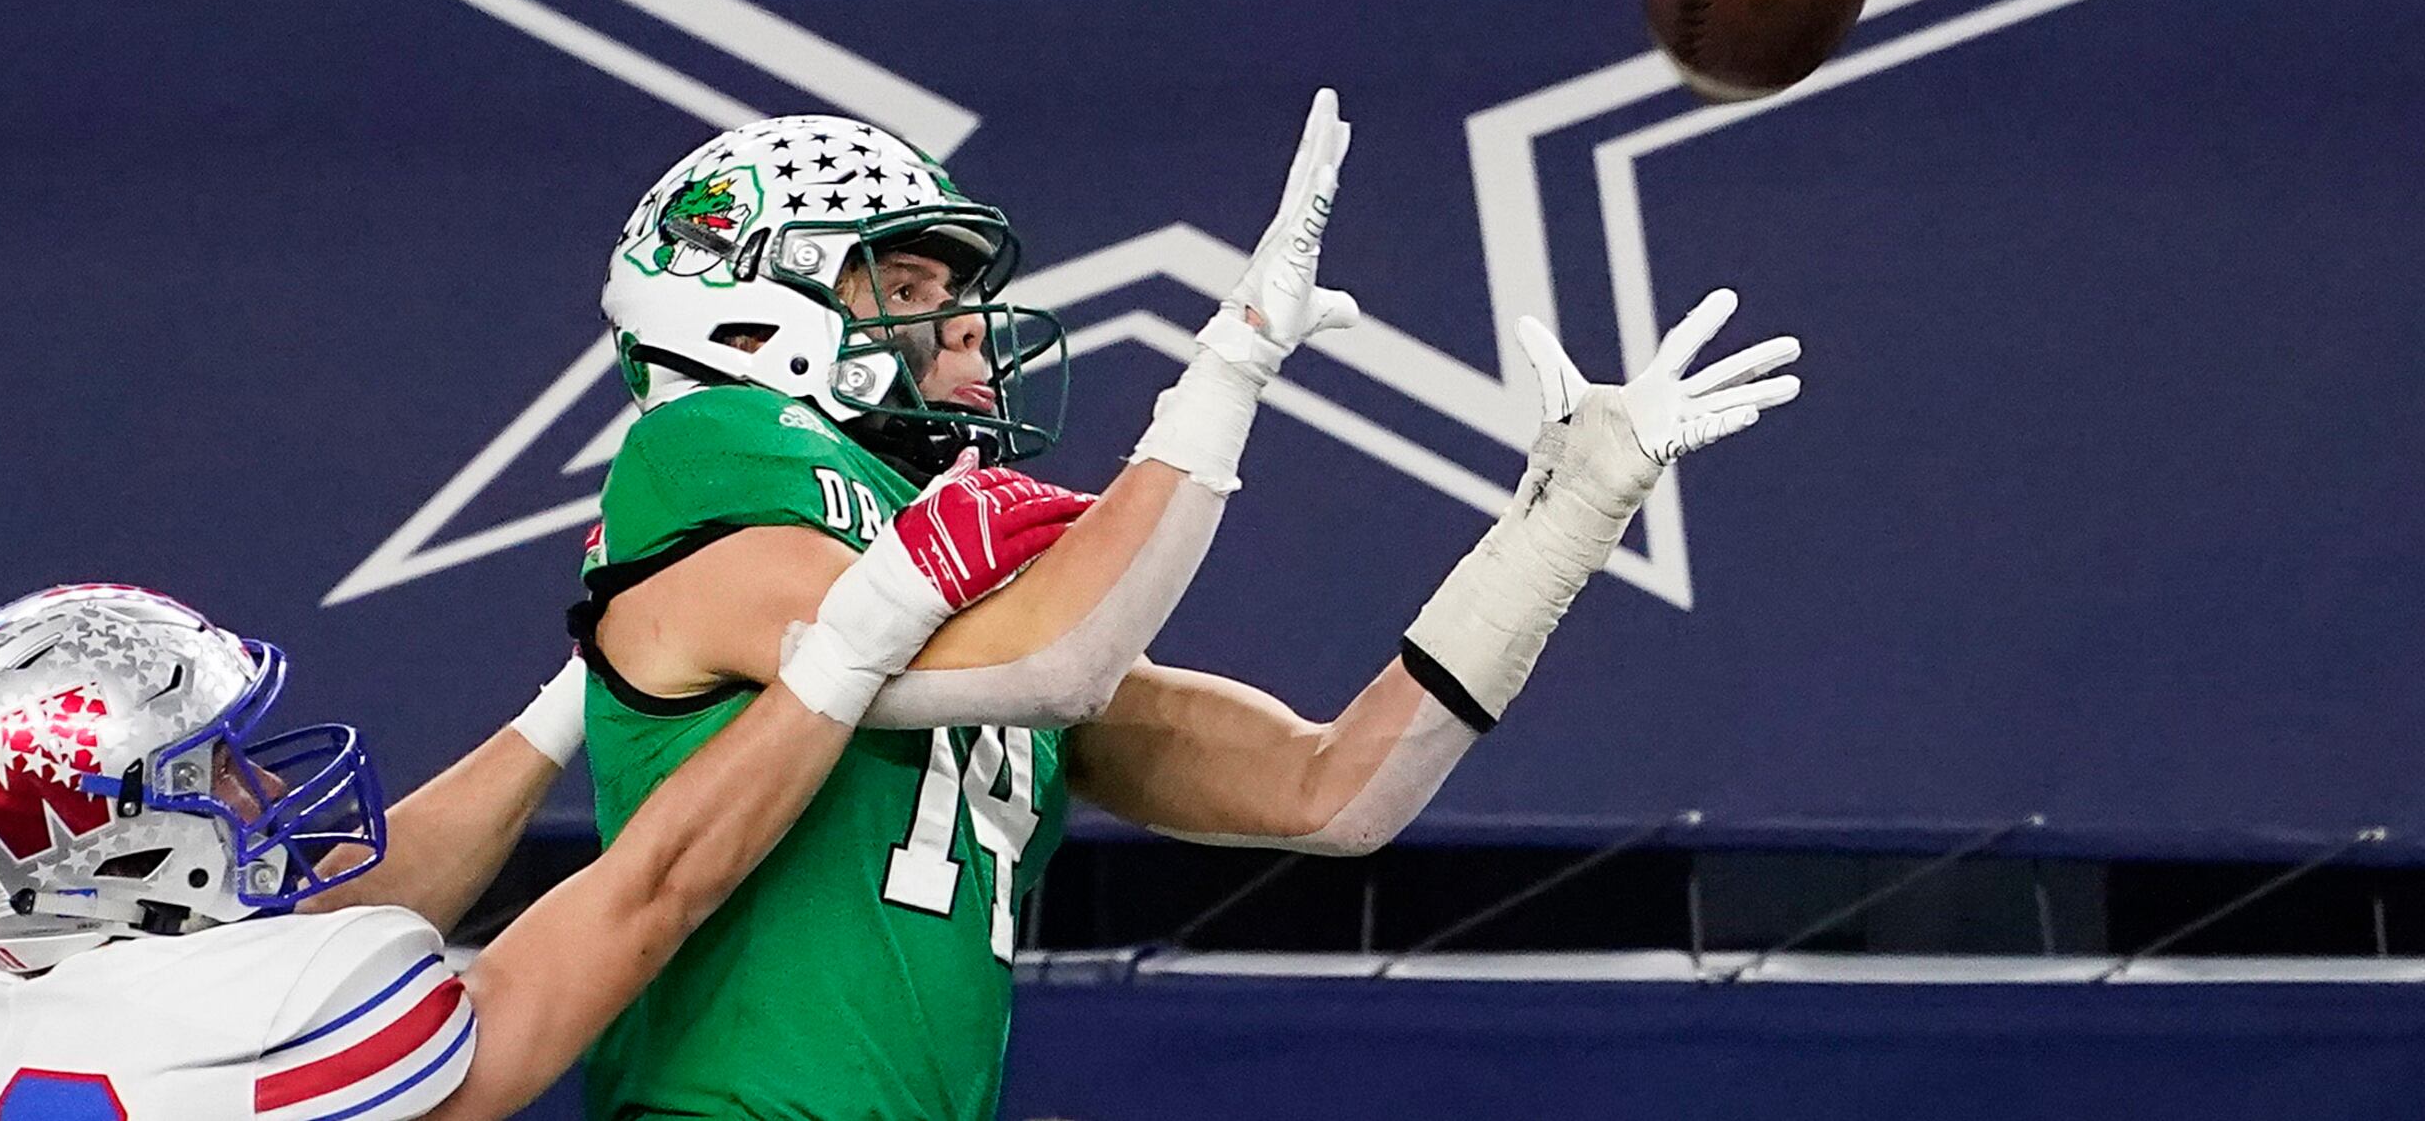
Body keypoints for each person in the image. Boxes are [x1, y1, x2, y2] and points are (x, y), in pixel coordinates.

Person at [571, 91, 1804, 1121]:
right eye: (903, 285)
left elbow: (1329, 791)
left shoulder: (952, 609)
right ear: (744, 312)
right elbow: (1057, 658)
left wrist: (1560, 528)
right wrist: (1236, 358)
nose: (966, 334)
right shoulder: (703, 467)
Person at [0, 448, 1088, 1121]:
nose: (253, 786)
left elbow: (331, 911)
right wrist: (853, 642)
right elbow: (645, 895)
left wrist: (573, 698)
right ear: (116, 856)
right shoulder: (282, 1021)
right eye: (211, 773)